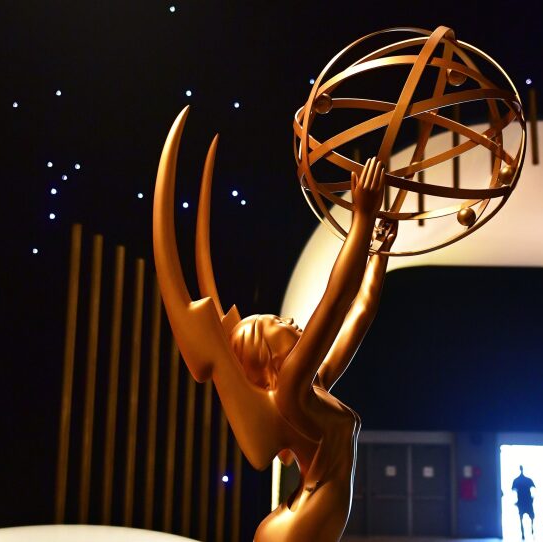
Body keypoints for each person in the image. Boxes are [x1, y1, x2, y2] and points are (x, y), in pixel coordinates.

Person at [154, 114, 396, 542]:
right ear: (268, 359)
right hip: (299, 527)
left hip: (302, 518)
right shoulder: (290, 390)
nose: (290, 321)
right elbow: (335, 302)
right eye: (278, 324)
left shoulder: (312, 386)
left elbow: (360, 311)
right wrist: (360, 218)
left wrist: (377, 250)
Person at [511, 465, 536, 540]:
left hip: (522, 502)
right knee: (530, 517)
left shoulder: (517, 480)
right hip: (527, 501)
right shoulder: (527, 480)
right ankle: (529, 531)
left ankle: (524, 533)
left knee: (522, 518)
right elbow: (534, 488)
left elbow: (513, 489)